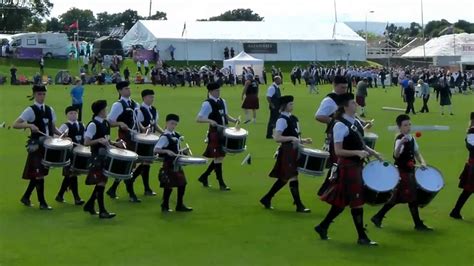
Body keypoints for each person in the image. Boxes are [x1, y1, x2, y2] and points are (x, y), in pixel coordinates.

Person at [315, 93, 382, 245]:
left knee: (342, 202)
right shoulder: (339, 125)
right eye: (353, 103)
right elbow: (338, 151)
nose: (356, 105)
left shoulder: (355, 122)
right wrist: (357, 153)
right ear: (345, 106)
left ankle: (322, 226)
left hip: (356, 166)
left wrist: (373, 152)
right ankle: (362, 237)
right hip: (348, 166)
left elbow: (361, 143)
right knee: (356, 201)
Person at [371, 114, 433, 231]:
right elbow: (396, 155)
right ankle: (417, 224)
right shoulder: (400, 138)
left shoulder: (411, 138)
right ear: (399, 127)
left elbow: (417, 153)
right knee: (410, 198)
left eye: (409, 124)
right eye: (405, 125)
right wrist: (400, 143)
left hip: (410, 171)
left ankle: (378, 217)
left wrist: (423, 162)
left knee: (399, 197)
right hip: (402, 172)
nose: (408, 127)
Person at [260, 95, 312, 212]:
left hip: (294, 150)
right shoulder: (282, 119)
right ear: (284, 106)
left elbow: (295, 136)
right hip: (287, 150)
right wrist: (293, 138)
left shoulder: (293, 118)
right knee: (290, 176)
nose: (292, 105)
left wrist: (303, 140)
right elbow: (277, 138)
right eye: (290, 104)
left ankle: (267, 198)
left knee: (286, 177)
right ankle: (298, 205)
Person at [13, 85, 61, 210]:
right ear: (34, 95)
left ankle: (26, 197)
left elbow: (52, 128)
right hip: (37, 146)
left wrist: (62, 136)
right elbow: (15, 124)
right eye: (39, 94)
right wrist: (29, 125)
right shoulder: (30, 110)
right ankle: (42, 202)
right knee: (39, 175)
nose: (42, 97)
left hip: (48, 146)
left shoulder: (50, 110)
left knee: (39, 174)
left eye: (44, 94)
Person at [196, 82, 240, 190]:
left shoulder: (222, 101)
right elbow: (199, 118)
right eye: (216, 91)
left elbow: (225, 115)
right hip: (215, 132)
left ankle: (204, 176)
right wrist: (210, 120)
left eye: (219, 90)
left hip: (224, 131)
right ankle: (221, 183)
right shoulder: (207, 104)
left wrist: (234, 120)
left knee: (219, 157)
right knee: (218, 157)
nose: (218, 92)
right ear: (210, 92)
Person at [83, 100, 119, 219]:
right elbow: (86, 142)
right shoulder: (93, 125)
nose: (106, 111)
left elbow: (106, 140)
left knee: (101, 183)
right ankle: (102, 211)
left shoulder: (106, 123)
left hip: (105, 156)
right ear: (100, 111)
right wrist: (98, 140)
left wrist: (115, 143)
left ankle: (90, 205)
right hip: (97, 157)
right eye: (105, 110)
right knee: (101, 183)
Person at [105, 81, 141, 202]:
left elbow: (137, 121)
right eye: (126, 88)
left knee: (129, 166)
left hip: (135, 137)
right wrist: (119, 123)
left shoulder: (135, 104)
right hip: (125, 138)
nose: (129, 90)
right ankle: (131, 194)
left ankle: (113, 189)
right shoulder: (118, 105)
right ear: (120, 91)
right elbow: (109, 121)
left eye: (129, 88)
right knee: (128, 165)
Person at [315, 76, 350, 196]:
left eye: (346, 87)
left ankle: (326, 189)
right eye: (342, 87)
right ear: (334, 85)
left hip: (345, 134)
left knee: (339, 163)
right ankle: (328, 190)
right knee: (337, 163)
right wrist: (335, 122)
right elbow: (319, 116)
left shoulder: (344, 99)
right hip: (335, 134)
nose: (345, 90)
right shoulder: (329, 100)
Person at [154, 114, 193, 212]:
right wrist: (166, 151)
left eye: (175, 124)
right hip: (168, 164)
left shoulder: (176, 135)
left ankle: (179, 205)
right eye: (172, 123)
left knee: (182, 184)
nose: (173, 126)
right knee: (168, 186)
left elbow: (177, 150)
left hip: (176, 164)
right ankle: (165, 205)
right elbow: (156, 149)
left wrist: (184, 151)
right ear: (166, 123)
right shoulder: (165, 137)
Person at [133, 89, 164, 196]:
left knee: (147, 162)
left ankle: (138, 184)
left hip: (151, 140)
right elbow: (139, 125)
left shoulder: (154, 110)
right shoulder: (139, 110)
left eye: (153, 97)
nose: (152, 99)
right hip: (142, 141)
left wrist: (164, 133)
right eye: (150, 97)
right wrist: (144, 130)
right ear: (144, 98)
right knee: (146, 162)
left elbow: (155, 124)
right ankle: (144, 187)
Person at [55, 106, 85, 205]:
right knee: (72, 175)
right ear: (67, 115)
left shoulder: (81, 125)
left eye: (75, 113)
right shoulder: (65, 126)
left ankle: (60, 195)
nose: (73, 115)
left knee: (70, 176)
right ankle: (77, 198)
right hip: (69, 154)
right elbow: (56, 137)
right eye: (71, 113)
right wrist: (65, 139)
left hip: (79, 154)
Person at [450, 112, 474, 219]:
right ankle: (455, 211)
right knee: (468, 190)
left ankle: (455, 211)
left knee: (468, 191)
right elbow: (472, 147)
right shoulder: (471, 132)